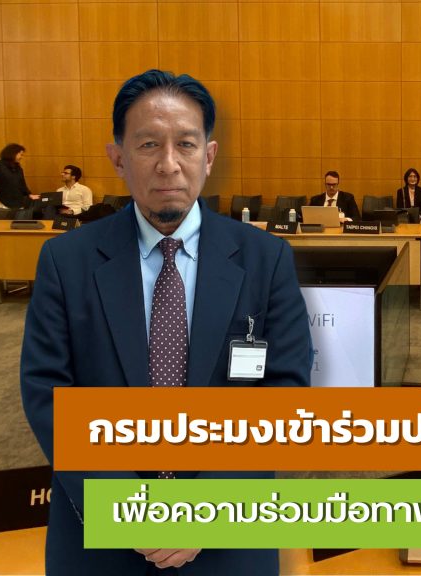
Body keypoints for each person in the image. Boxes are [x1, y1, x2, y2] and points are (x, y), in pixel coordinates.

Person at [19, 70, 313, 576]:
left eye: (186, 144)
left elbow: (283, 392)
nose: (169, 164)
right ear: (118, 158)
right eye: (149, 144)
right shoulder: (67, 261)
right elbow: (49, 393)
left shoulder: (266, 259)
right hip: (101, 541)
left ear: (209, 156)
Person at [0, 143, 38, 210]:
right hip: (2, 203)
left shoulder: (18, 168)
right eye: (20, 154)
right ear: (13, 153)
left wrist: (29, 195)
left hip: (18, 202)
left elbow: (22, 184)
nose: (21, 157)